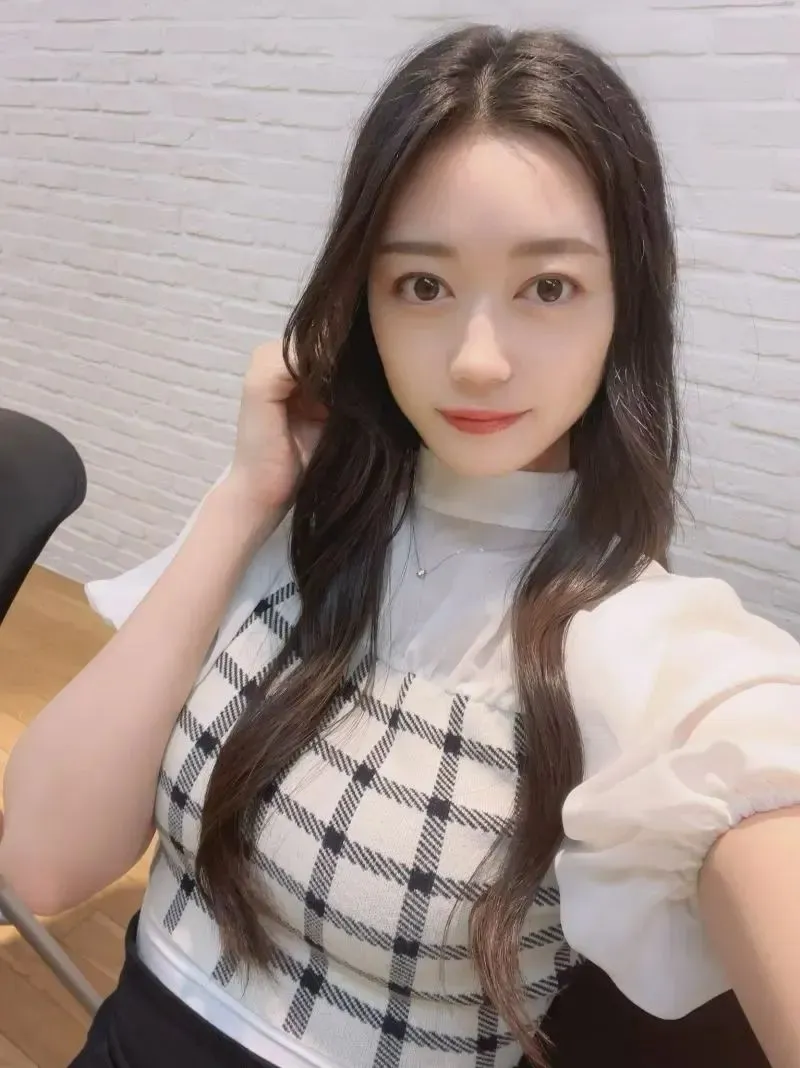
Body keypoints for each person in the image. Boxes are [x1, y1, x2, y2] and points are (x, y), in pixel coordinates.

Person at [1, 22, 799, 1068]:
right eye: (422, 285)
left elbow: (753, 776)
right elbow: (45, 862)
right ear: (363, 300)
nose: (476, 361)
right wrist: (246, 499)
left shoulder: (649, 647)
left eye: (547, 287)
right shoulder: (288, 525)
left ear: (624, 304)